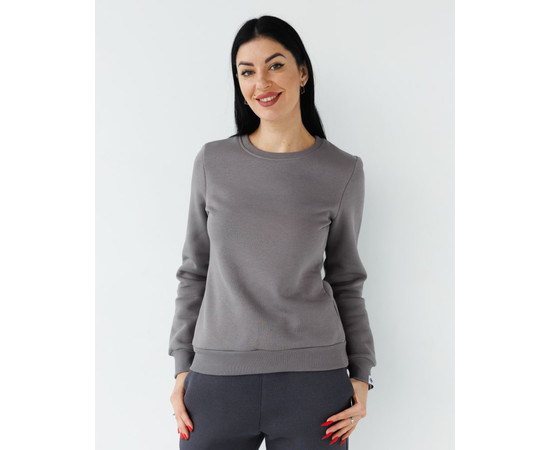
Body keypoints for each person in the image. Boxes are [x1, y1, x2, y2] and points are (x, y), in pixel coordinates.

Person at [168, 15, 376, 449]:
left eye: (275, 65)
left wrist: (361, 373)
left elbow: (346, 279)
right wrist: (182, 366)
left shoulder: (342, 170)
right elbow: (194, 271)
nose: (261, 82)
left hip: (314, 387)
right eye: (246, 72)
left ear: (303, 73)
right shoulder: (212, 162)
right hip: (216, 383)